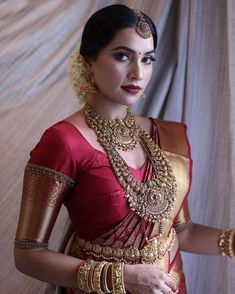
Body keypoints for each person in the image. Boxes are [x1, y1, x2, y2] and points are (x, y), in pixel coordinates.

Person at [14, 4, 235, 294]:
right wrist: (119, 277)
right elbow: (28, 254)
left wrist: (229, 242)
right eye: (123, 56)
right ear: (89, 61)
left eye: (147, 59)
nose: (137, 72)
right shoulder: (63, 141)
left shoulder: (168, 136)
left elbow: (183, 232)